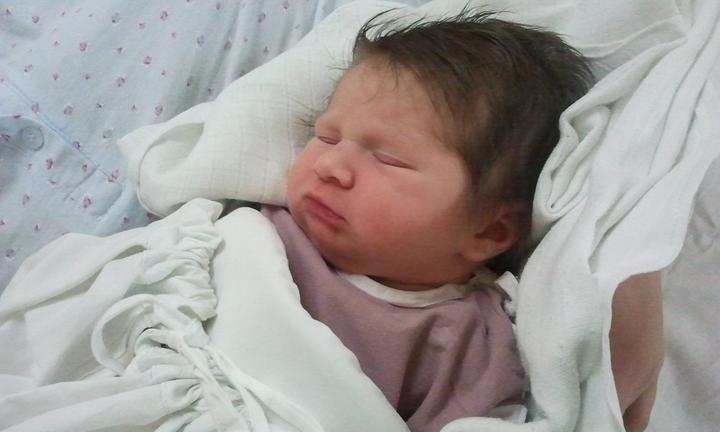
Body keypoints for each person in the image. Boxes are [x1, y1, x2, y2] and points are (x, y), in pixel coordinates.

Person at [259, 9, 589, 432]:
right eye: (327, 137)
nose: (329, 165)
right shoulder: (265, 233)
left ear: (489, 230)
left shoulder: (461, 345)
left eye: (388, 159)